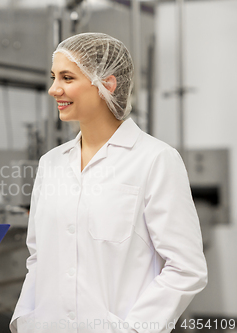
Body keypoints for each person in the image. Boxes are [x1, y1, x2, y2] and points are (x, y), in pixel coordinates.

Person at [10, 33, 207, 333]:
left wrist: (135, 329)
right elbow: (39, 257)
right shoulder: (51, 163)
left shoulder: (155, 160)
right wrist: (25, 320)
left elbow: (186, 268)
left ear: (107, 83)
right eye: (53, 77)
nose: (53, 89)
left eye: (67, 77)